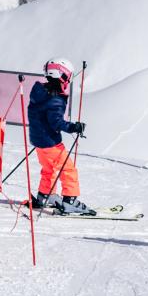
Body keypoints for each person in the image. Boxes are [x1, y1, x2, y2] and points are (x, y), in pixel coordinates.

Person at [27, 60, 95, 217]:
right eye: (68, 77)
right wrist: (73, 127)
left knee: (48, 168)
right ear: (62, 76)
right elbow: (56, 122)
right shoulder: (55, 98)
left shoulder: (39, 92)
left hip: (38, 140)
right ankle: (69, 201)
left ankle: (46, 194)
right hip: (50, 143)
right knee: (68, 169)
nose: (68, 81)